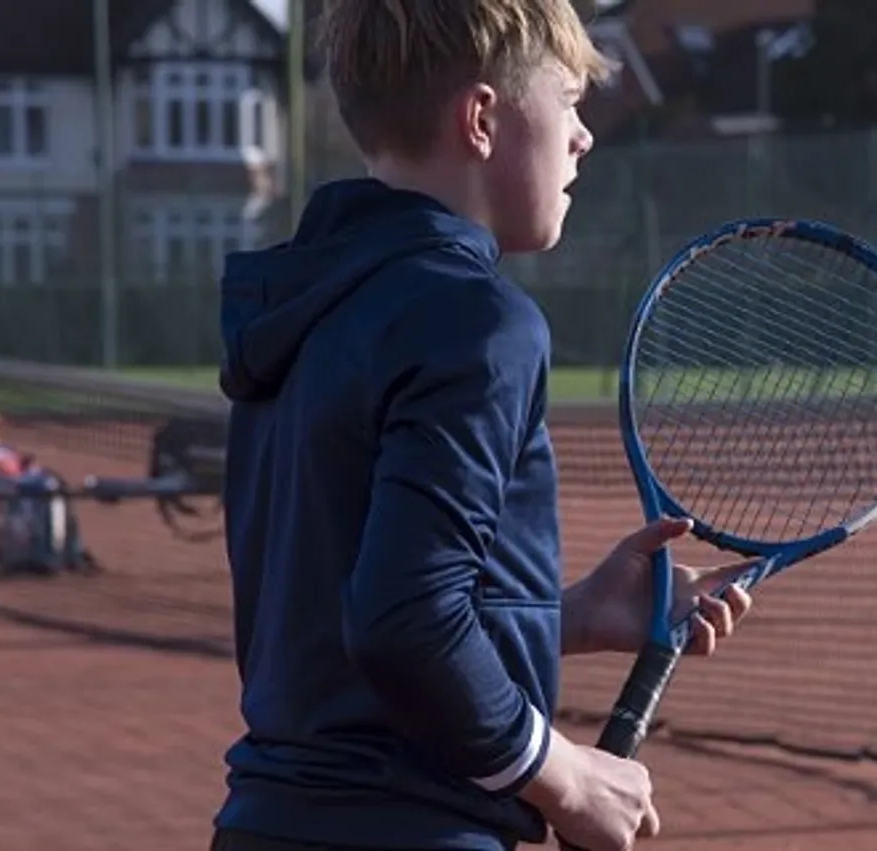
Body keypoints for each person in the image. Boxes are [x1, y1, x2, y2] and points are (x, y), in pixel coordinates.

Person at [207, 2, 755, 850]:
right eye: (569, 102)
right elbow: (403, 621)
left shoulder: (305, 308)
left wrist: (558, 617)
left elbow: (338, 626)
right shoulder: (478, 320)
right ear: (483, 118)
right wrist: (568, 778)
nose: (585, 138)